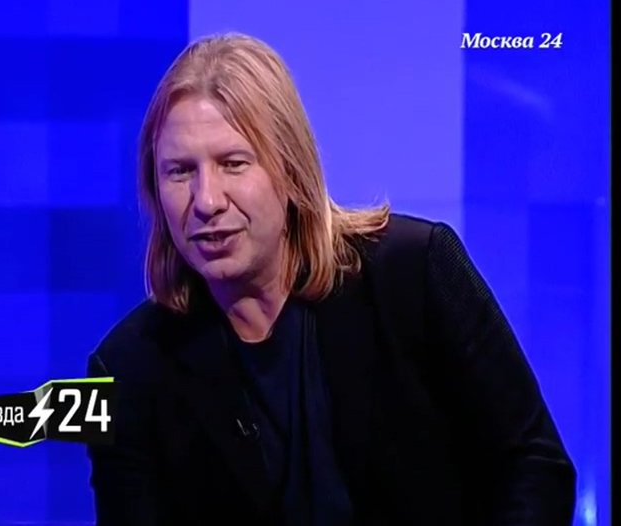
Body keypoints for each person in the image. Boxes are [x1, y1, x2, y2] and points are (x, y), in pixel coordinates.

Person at [86, 32, 576, 526]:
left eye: (233, 163)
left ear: (291, 169)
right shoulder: (128, 369)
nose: (207, 200)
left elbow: (534, 465)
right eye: (179, 171)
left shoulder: (413, 273)